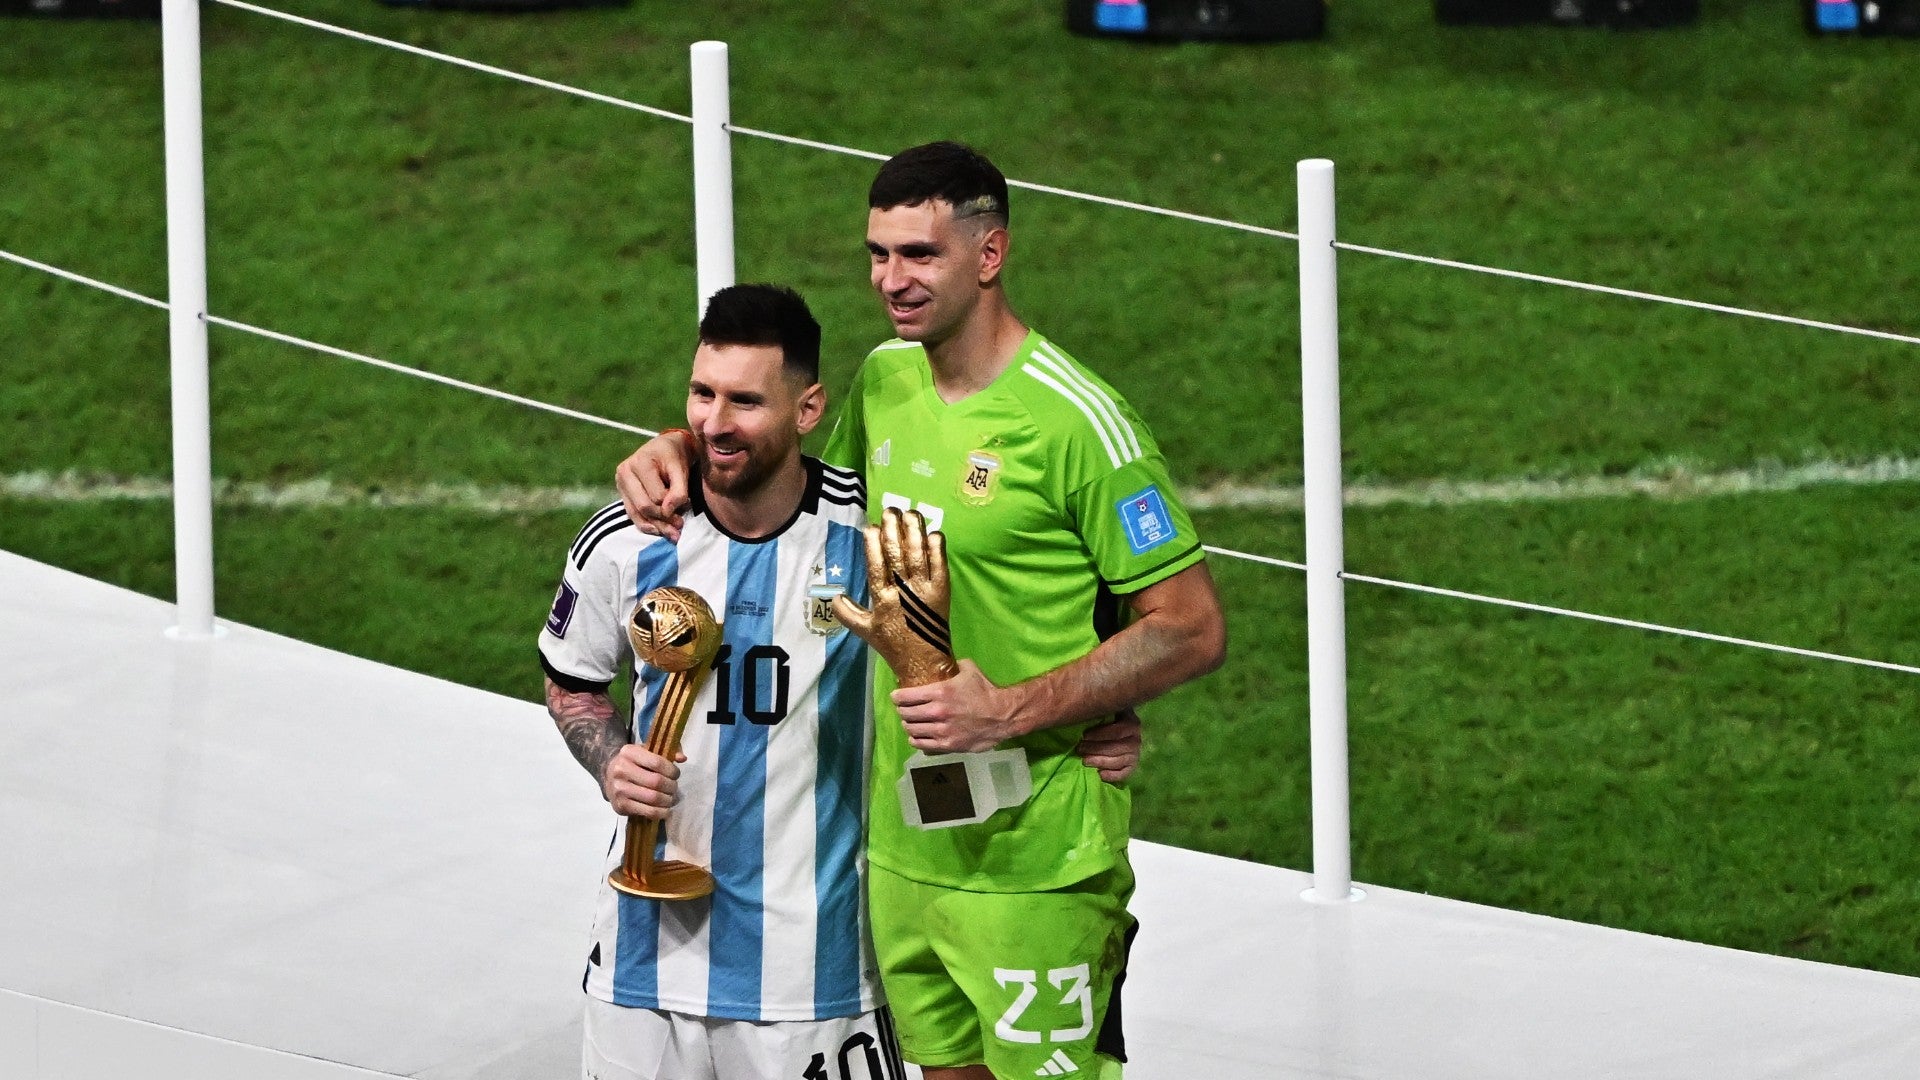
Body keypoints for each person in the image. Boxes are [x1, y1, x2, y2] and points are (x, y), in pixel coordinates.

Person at [615, 142, 1228, 1080]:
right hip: (901, 851)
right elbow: (791, 480)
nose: (891, 281)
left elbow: (1189, 626)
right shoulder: (888, 381)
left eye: (920, 255)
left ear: (990, 256)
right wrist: (677, 441)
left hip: (1037, 861)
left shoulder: (1079, 425)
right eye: (878, 254)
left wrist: (1016, 711)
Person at [538, 283, 907, 1080]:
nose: (713, 423)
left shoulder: (869, 536)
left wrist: (1102, 718)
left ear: (808, 410)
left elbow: (1006, 619)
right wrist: (609, 760)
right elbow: (570, 682)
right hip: (642, 965)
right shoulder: (627, 540)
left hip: (814, 973)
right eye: (701, 395)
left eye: (744, 401)